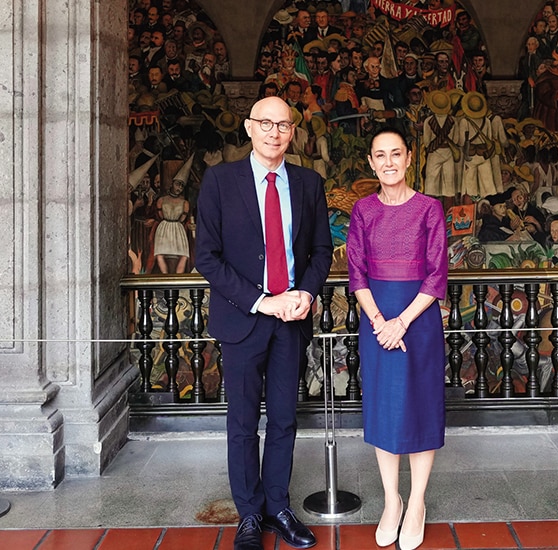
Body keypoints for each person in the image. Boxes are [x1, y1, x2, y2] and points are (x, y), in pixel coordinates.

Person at [194, 96, 332, 550]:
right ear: (249, 128)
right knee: (242, 422)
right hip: (243, 320)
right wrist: (261, 302)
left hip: (291, 320)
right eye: (266, 123)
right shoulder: (220, 181)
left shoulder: (309, 183)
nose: (275, 132)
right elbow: (206, 257)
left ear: (292, 132)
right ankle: (249, 514)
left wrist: (305, 293)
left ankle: (278, 507)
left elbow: (320, 252)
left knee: (285, 419)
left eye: (283, 125)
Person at [346, 127, 447, 550]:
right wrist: (379, 321)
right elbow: (356, 273)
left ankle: (417, 502)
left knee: (421, 407)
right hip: (376, 320)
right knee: (384, 409)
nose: (388, 162)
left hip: (417, 319)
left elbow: (437, 274)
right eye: (380, 155)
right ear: (371, 162)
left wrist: (400, 322)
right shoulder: (363, 210)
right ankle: (392, 500)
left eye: (396, 153)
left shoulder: (429, 209)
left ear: (409, 158)